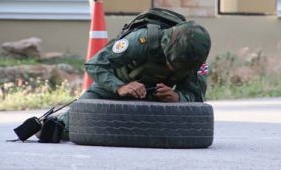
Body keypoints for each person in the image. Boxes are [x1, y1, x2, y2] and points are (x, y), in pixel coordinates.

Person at [58, 15, 211, 141]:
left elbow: (197, 98)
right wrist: (120, 87)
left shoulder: (196, 62)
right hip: (114, 87)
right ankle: (56, 121)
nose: (173, 69)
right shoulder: (142, 40)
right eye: (172, 63)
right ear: (166, 46)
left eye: (179, 68)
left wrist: (177, 97)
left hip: (155, 98)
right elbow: (95, 64)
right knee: (69, 126)